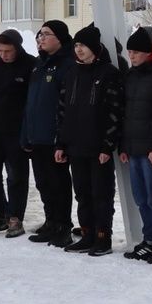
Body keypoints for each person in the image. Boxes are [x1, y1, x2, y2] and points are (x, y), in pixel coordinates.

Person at [55, 25, 123, 256]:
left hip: (98, 147)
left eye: (83, 45)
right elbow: (63, 110)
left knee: (101, 194)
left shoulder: (108, 73)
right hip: (75, 145)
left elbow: (115, 111)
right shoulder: (71, 73)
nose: (79, 49)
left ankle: (103, 237)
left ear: (94, 48)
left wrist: (108, 144)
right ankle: (87, 234)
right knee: (82, 193)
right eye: (76, 45)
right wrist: (61, 143)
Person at [120, 27, 152, 263]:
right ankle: (148, 238)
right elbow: (126, 113)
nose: (132, 57)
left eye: (136, 53)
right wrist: (124, 145)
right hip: (133, 146)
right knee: (140, 197)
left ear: (148, 52)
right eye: (130, 52)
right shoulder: (132, 76)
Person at [21, 21, 75, 245]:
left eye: (46, 34)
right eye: (39, 35)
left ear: (60, 38)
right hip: (37, 135)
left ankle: (63, 225)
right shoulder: (39, 65)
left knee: (58, 182)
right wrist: (26, 133)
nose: (41, 39)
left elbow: (67, 105)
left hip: (55, 136)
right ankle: (51, 220)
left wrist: (61, 138)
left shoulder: (68, 64)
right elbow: (30, 102)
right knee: (43, 182)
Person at [0, 30, 35, 237]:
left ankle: (15, 216)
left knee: (16, 176)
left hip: (17, 130)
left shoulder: (30, 65)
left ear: (17, 48)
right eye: (0, 51)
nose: (3, 55)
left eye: (7, 51)